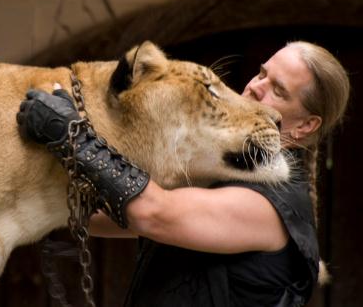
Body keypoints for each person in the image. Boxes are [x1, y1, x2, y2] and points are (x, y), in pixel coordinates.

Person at [17, 41, 350, 307]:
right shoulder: (228, 171)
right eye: (262, 73)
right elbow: (108, 218)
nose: (255, 87)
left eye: (278, 90)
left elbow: (152, 213)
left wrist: (76, 141)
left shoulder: (271, 207)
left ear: (306, 126)